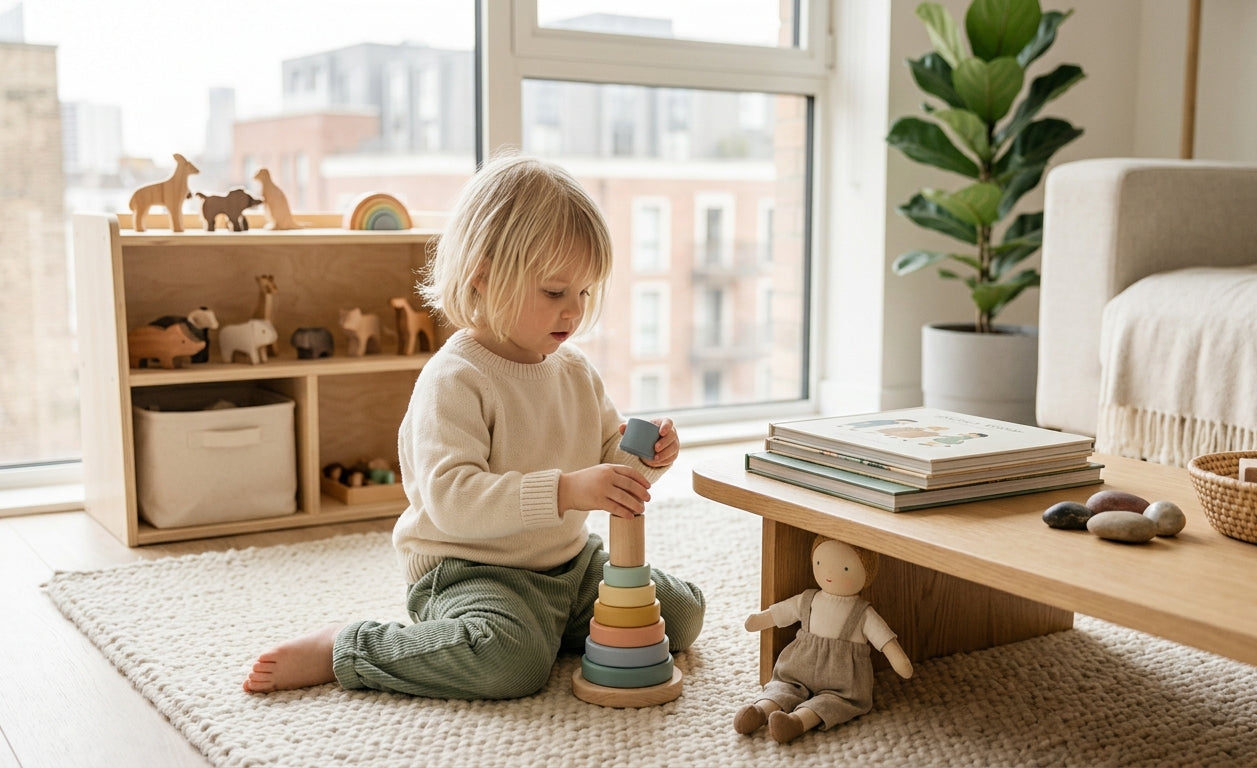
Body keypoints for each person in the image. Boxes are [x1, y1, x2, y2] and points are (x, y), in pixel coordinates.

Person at [242, 152, 706, 699]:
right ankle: (349, 647)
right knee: (508, 664)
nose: (574, 312)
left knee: (681, 613)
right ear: (483, 278)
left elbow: (609, 467)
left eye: (584, 292)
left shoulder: (575, 369)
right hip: (474, 571)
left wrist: (645, 456)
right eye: (555, 292)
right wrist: (564, 490)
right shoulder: (456, 378)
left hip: (568, 564)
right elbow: (453, 498)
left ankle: (546, 629)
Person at [733, 536, 913, 743]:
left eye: (845, 570)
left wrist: (900, 662)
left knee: (835, 702)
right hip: (799, 667)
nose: (828, 574)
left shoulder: (863, 612)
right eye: (819, 564)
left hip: (842, 680)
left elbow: (884, 638)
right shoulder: (808, 598)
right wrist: (759, 620)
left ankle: (796, 722)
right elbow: (784, 611)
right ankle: (760, 711)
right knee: (784, 686)